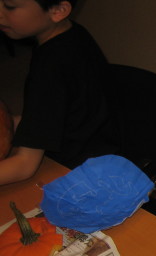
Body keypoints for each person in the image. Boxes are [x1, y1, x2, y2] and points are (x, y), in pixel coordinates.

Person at [0, 0, 118, 185]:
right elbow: (56, 109)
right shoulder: (73, 33)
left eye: (10, 6)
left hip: (76, 171)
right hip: (91, 141)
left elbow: (24, 165)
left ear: (58, 10)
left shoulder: (50, 68)